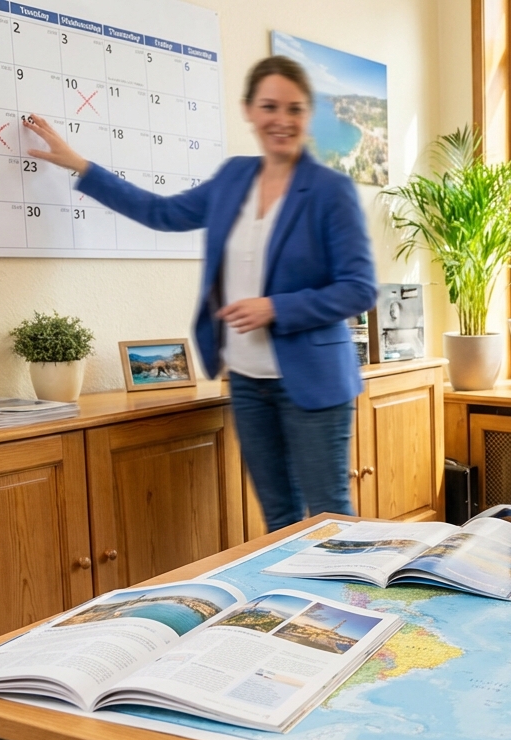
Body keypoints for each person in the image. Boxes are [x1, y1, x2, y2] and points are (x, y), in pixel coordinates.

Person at [24, 56, 377, 532]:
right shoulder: (234, 177)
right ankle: (299, 608)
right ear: (249, 110)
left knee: (330, 516)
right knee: (279, 520)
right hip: (248, 380)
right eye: (269, 106)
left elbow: (359, 288)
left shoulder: (330, 190)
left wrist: (275, 307)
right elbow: (162, 213)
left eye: (294, 109)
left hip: (315, 383)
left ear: (307, 116)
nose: (282, 119)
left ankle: (346, 607)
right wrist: (80, 165)